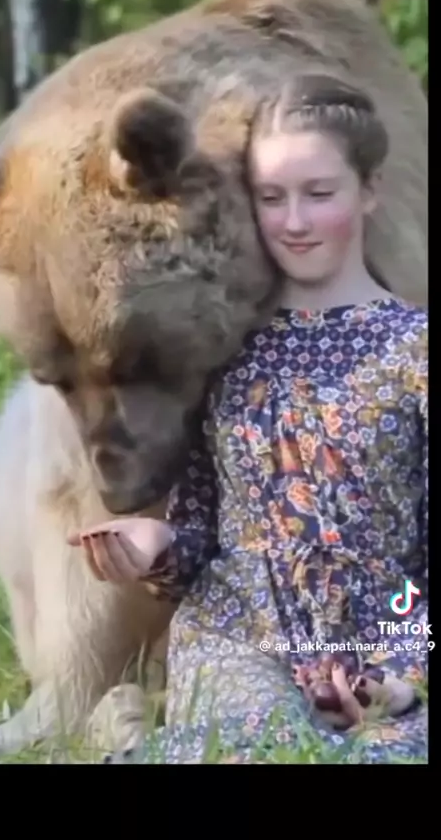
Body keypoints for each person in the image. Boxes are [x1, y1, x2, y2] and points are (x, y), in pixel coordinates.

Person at [68, 73, 428, 764]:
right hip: (237, 641)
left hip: (381, 647)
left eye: (318, 193)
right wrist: (156, 544)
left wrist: (399, 678)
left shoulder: (415, 351)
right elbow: (202, 533)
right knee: (266, 745)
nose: (293, 221)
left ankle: (138, 740)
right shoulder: (220, 348)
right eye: (271, 197)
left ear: (369, 189)